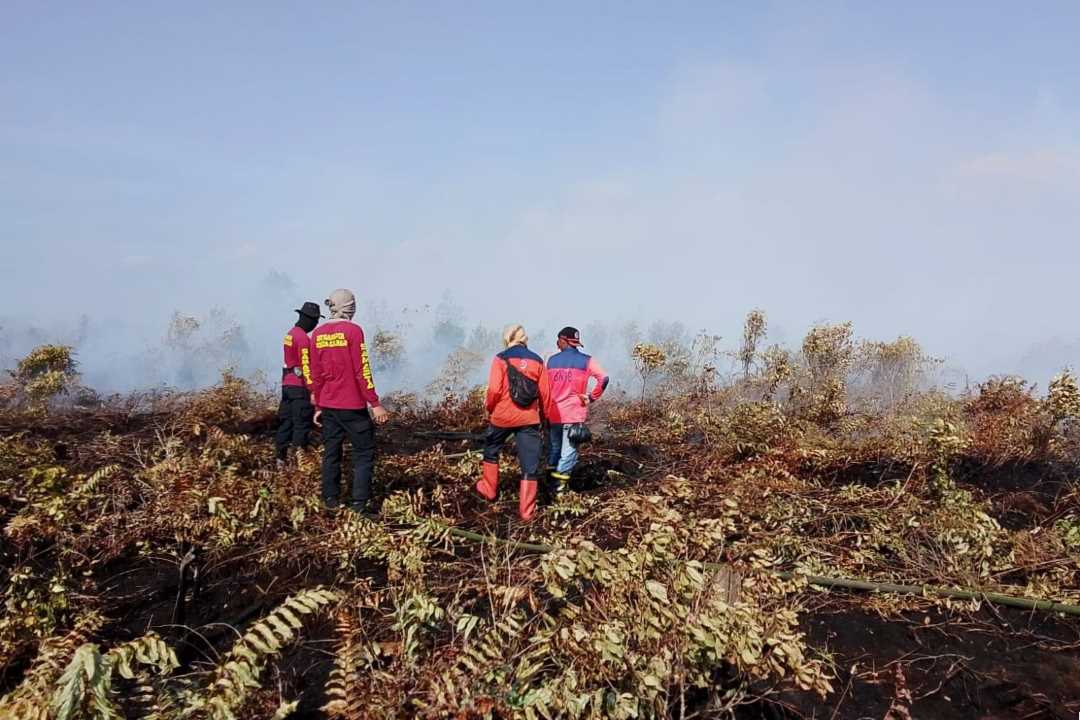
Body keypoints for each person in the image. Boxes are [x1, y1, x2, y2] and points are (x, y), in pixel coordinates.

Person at [308, 288, 390, 515]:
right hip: (352, 406)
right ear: (349, 307)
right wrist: (375, 403)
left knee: (331, 452)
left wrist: (318, 406)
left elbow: (316, 373)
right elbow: (361, 370)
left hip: (329, 406)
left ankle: (330, 500)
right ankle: (359, 506)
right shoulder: (354, 331)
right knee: (364, 453)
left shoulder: (317, 334)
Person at [476, 324, 551, 521]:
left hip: (502, 416)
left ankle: (489, 490)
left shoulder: (500, 358)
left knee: (491, 449)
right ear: (525, 339)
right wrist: (543, 418)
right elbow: (545, 394)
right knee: (530, 465)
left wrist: (491, 410)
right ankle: (527, 513)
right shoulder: (537, 361)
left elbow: (493, 390)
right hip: (529, 419)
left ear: (507, 339)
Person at [544, 327, 609, 496]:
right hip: (573, 415)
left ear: (563, 340)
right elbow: (604, 378)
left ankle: (549, 485)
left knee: (555, 450)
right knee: (569, 452)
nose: (556, 343)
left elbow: (543, 388)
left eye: (558, 339)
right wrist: (591, 397)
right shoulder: (586, 360)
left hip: (553, 415)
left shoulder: (551, 361)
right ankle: (558, 489)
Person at [274, 301, 323, 468]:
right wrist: (313, 390)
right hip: (299, 388)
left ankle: (280, 460)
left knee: (285, 423)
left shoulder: (290, 334)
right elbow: (306, 366)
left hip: (286, 386)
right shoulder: (302, 338)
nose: (316, 324)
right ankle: (297, 466)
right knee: (301, 425)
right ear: (309, 319)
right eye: (316, 321)